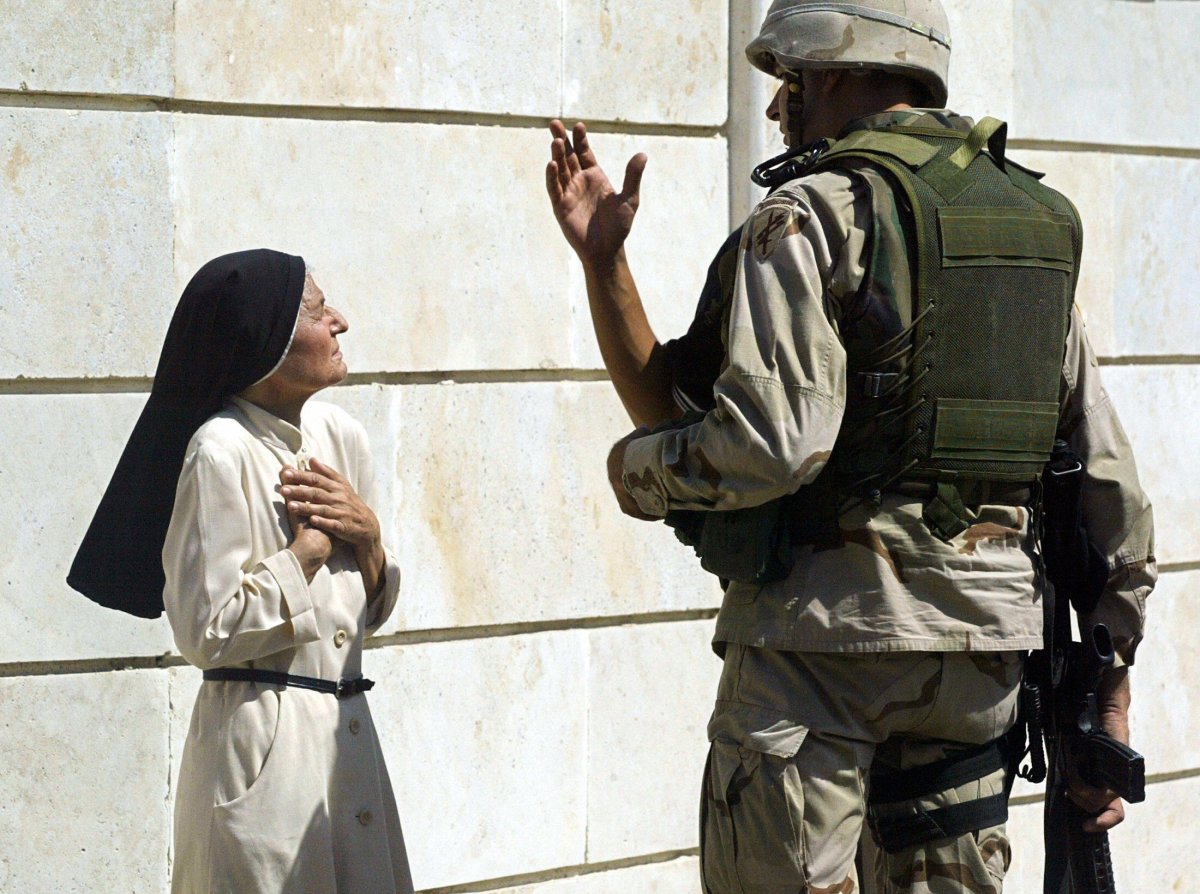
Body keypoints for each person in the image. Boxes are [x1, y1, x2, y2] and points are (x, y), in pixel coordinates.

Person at [544, 2, 1155, 891]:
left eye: (789, 82)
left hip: (822, 651)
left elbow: (769, 444)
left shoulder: (806, 215)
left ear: (832, 73)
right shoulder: (1036, 226)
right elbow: (1112, 493)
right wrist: (1110, 680)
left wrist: (633, 475)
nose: (779, 109)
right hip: (980, 664)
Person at [69, 249, 414, 893]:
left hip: (349, 740)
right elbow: (205, 632)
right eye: (316, 310)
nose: (339, 321)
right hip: (262, 747)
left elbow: (361, 614)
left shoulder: (342, 437)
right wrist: (305, 554)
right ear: (269, 343)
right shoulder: (218, 452)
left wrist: (367, 540)